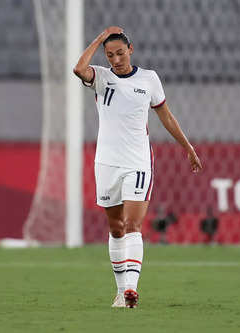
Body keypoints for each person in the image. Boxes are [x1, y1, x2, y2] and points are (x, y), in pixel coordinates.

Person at [73, 26, 202, 308]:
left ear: (131, 49)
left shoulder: (149, 79)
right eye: (110, 55)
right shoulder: (101, 77)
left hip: (138, 162)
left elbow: (166, 116)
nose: (116, 59)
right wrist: (98, 38)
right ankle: (120, 292)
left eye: (120, 53)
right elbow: (78, 68)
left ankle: (132, 288)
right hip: (106, 162)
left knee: (133, 225)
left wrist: (188, 147)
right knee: (115, 228)